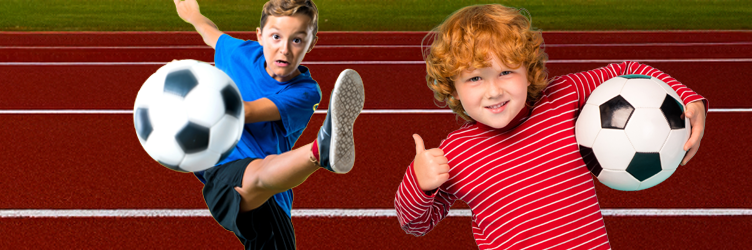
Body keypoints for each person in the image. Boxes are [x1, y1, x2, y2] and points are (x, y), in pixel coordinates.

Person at [394, 4, 709, 249]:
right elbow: (415, 224)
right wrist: (418, 183)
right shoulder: (455, 153)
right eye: (475, 78)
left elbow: (628, 71)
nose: (493, 91)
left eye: (506, 72)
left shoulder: (564, 97)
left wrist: (688, 99)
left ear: (528, 71)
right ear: (453, 87)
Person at [172, 0, 365, 248]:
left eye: (297, 40)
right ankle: (320, 151)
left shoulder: (305, 92)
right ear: (259, 36)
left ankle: (322, 148)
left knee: (264, 171)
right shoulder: (240, 53)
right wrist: (194, 15)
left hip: (273, 200)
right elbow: (212, 34)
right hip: (225, 175)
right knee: (258, 173)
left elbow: (245, 111)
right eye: (276, 37)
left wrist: (188, 91)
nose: (284, 49)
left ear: (312, 43)